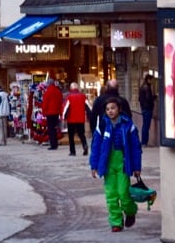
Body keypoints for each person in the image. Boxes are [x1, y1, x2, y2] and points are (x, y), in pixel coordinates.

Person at [89, 96, 143, 232]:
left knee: (123, 193)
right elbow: (95, 147)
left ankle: (130, 211)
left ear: (119, 109)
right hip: (107, 165)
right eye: (107, 109)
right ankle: (116, 222)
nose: (110, 111)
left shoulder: (128, 125)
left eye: (113, 108)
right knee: (111, 194)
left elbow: (136, 147)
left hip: (124, 164)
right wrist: (94, 165)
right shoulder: (102, 125)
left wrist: (137, 167)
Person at [62, 83, 91, 156]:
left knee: (71, 136)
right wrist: (90, 116)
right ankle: (84, 145)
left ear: (71, 88)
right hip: (80, 119)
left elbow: (66, 108)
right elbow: (88, 107)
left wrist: (64, 117)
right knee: (81, 134)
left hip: (71, 119)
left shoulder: (69, 97)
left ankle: (73, 151)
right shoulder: (83, 96)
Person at [41, 78, 64, 150]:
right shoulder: (58, 91)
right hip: (56, 112)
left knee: (51, 129)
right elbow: (61, 103)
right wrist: (60, 112)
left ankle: (53, 144)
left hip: (49, 113)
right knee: (55, 128)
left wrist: (44, 112)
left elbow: (45, 103)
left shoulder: (47, 92)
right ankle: (55, 143)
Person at [138, 76, 156, 147]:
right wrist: (154, 97)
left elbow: (140, 99)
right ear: (148, 80)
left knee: (145, 125)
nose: (151, 82)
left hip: (144, 108)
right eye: (151, 80)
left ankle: (144, 142)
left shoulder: (142, 87)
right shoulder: (146, 88)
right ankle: (144, 142)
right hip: (147, 108)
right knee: (146, 126)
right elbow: (148, 98)